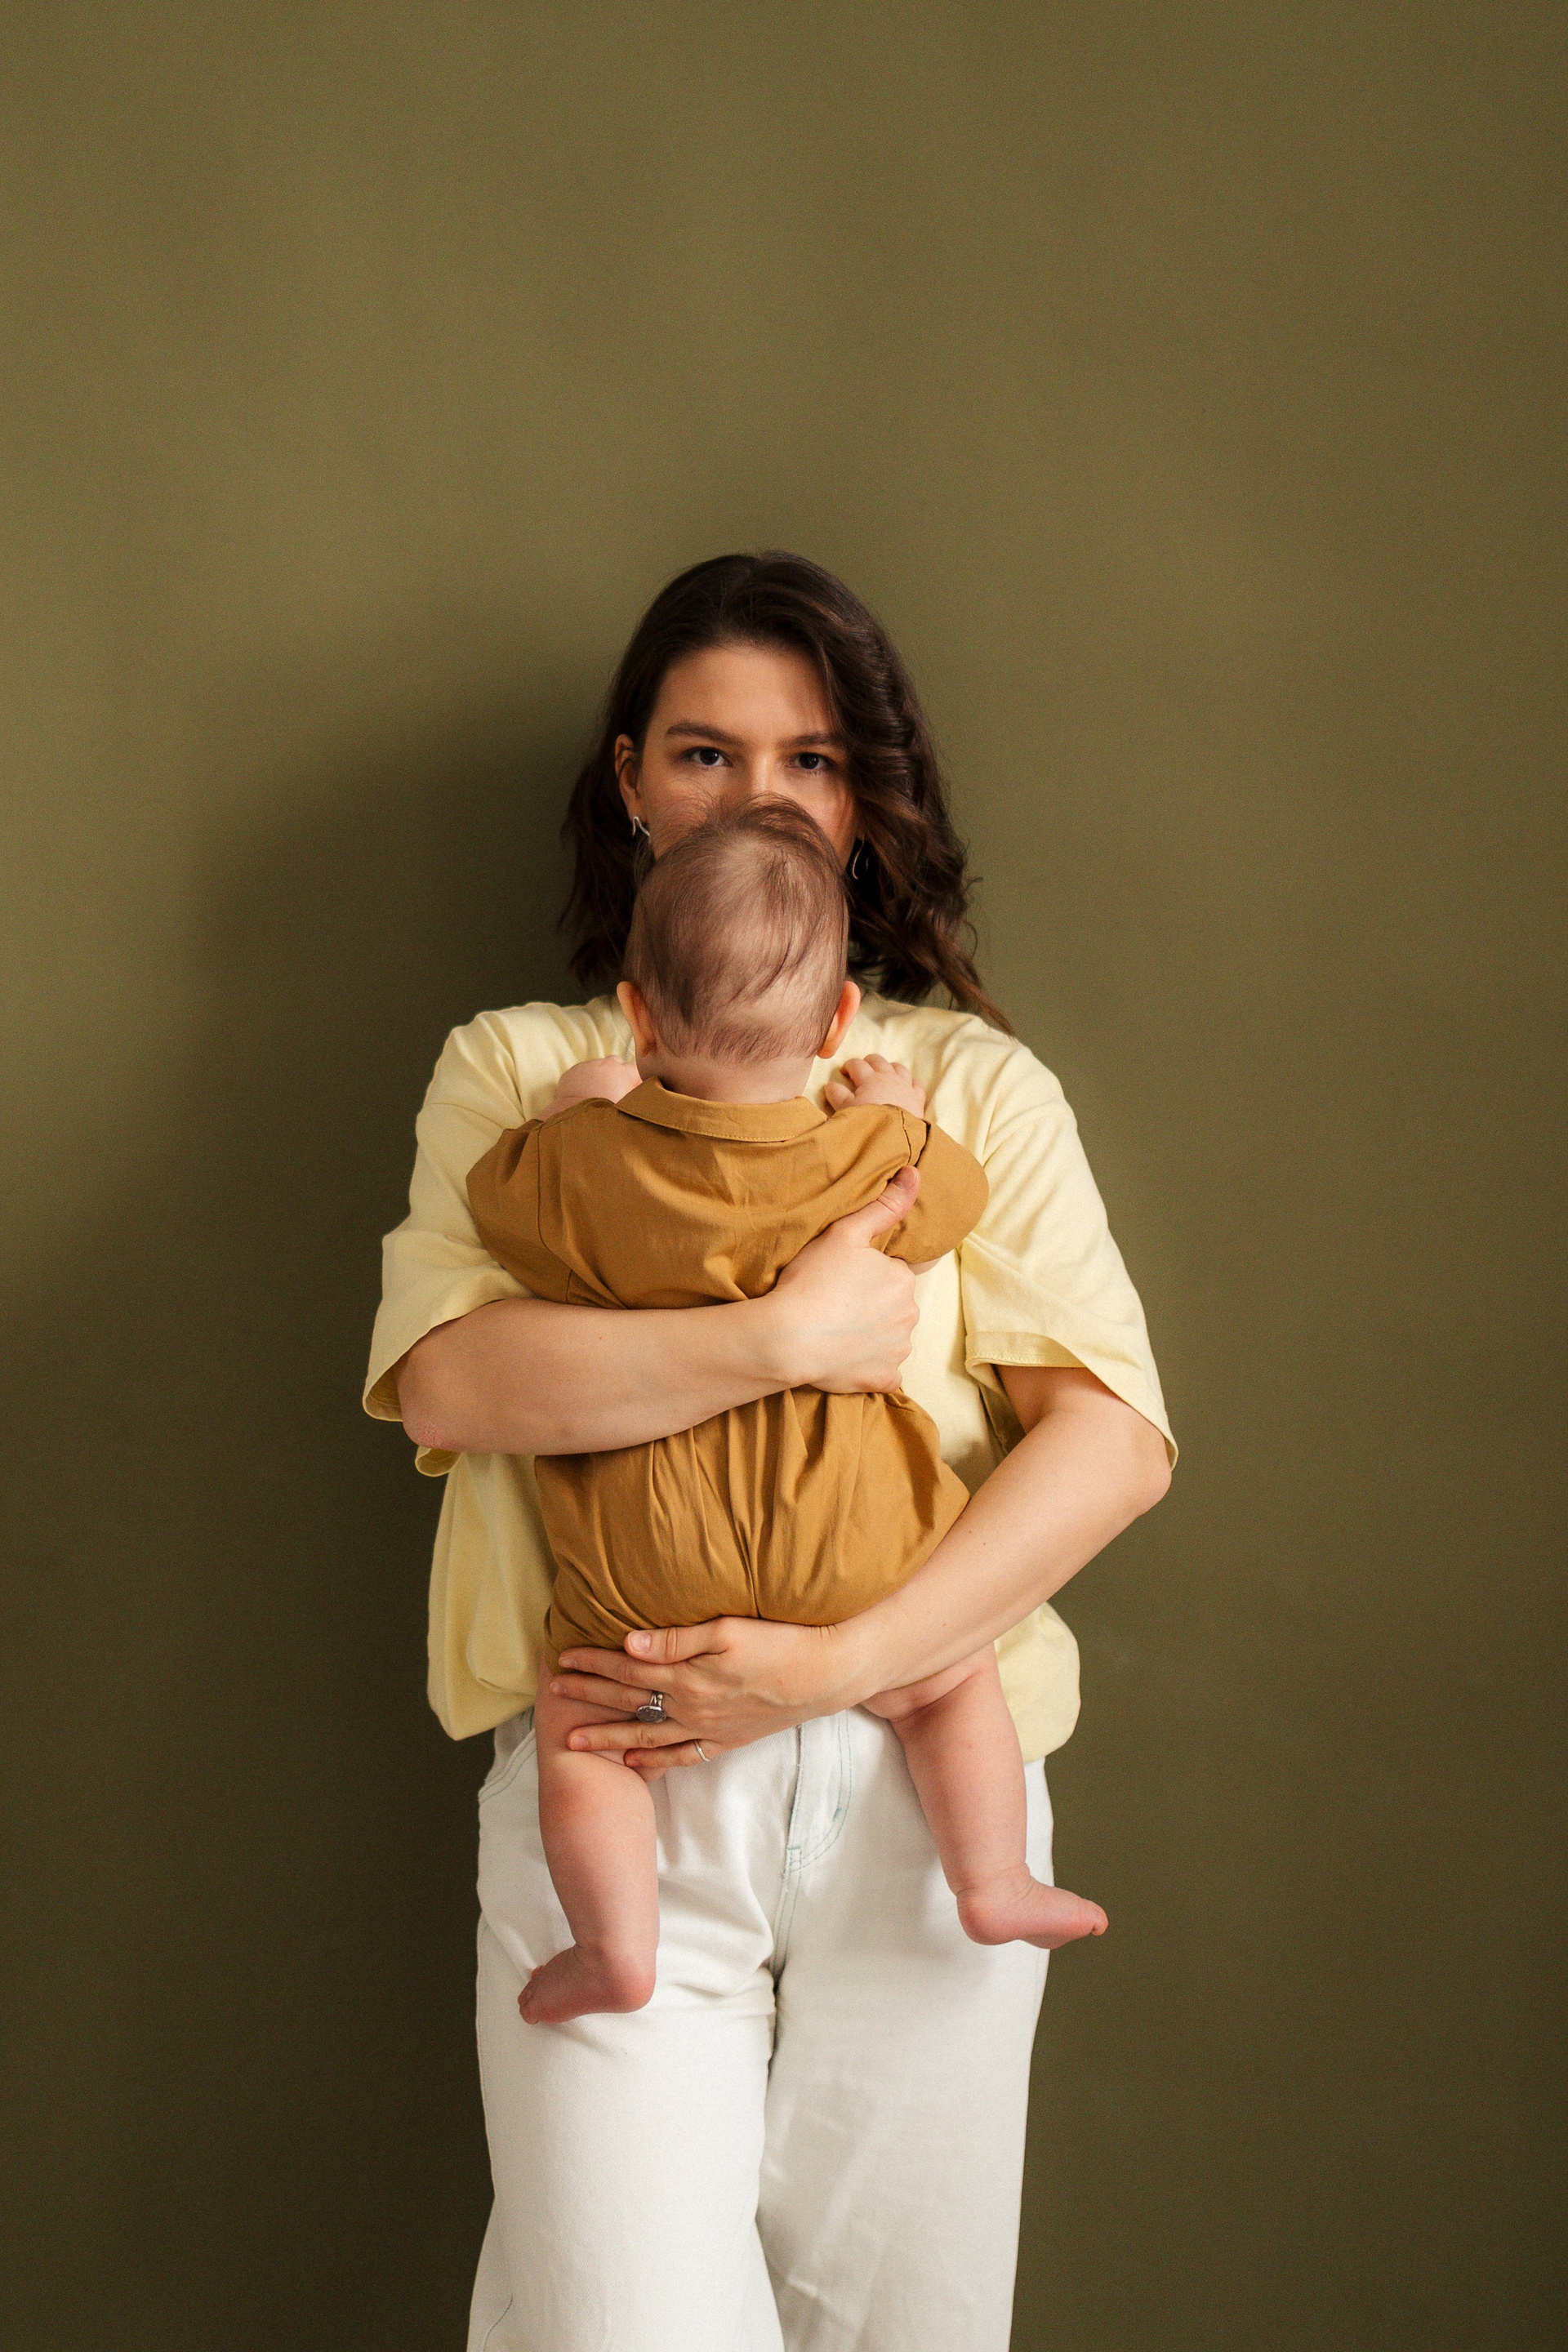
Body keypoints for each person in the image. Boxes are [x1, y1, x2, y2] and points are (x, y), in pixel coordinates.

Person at [366, 551, 1174, 2352]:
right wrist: (787, 1338)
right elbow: (451, 1387)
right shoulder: (523, 1072)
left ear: (866, 798)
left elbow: (1112, 1443)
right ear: (632, 782)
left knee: (905, 2330)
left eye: (811, 758)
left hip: (925, 1782)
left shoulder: (966, 1086)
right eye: (706, 752)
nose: (762, 796)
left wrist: (833, 1665)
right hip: (621, 1769)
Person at [464, 801, 1108, 2025]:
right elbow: (952, 1200)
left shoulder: (587, 1166)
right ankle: (992, 1881)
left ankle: (615, 1948)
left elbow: (503, 1210)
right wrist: (896, 1111)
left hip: (652, 1575)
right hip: (855, 1550)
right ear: (834, 1024)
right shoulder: (864, 1154)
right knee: (950, 1675)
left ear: (639, 1014)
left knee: (582, 1728)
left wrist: (572, 1112)